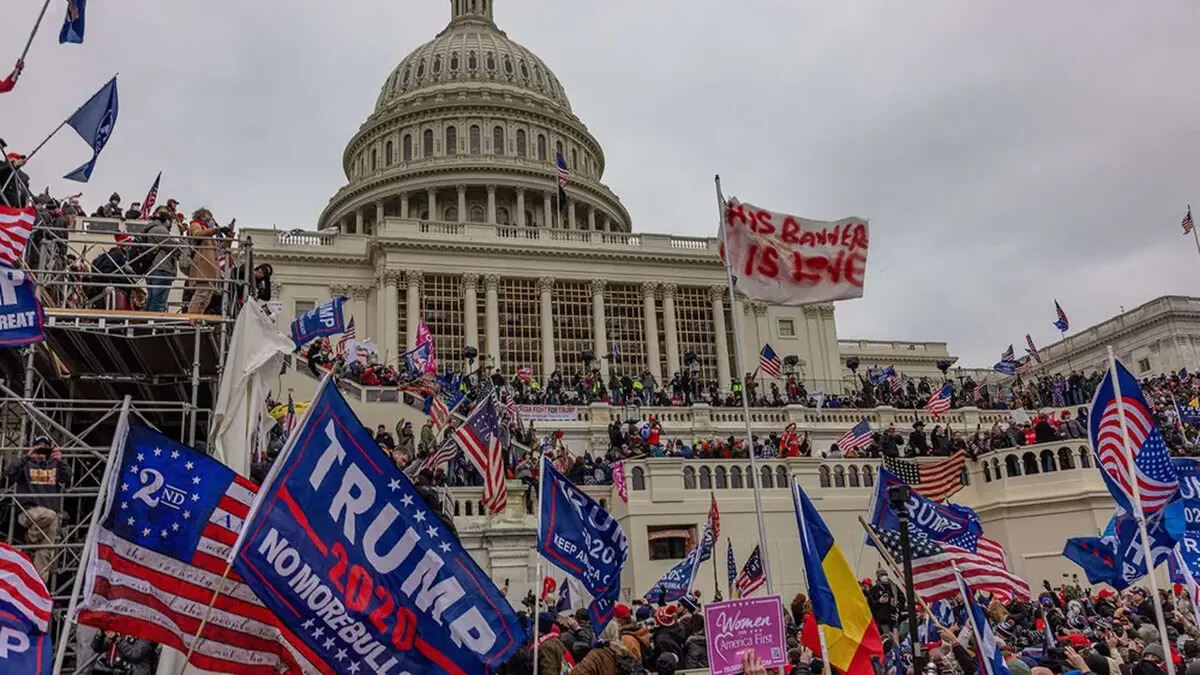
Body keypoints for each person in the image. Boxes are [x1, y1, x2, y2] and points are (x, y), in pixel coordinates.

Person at [3, 436, 71, 581]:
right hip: (29, 513)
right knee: (51, 516)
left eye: (44, 449)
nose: (41, 453)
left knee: (46, 553)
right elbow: (8, 472)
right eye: (38, 448)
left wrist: (60, 460)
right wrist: (26, 457)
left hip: (48, 519)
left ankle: (39, 584)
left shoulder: (54, 466)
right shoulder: (26, 466)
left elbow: (67, 477)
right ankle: (31, 537)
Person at [185, 208, 224, 315]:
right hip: (202, 266)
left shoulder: (209, 234)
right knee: (201, 295)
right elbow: (197, 234)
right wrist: (215, 230)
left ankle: (197, 318)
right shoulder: (196, 225)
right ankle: (191, 318)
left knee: (205, 298)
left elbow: (221, 249)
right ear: (201, 216)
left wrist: (229, 234)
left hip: (210, 268)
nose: (210, 219)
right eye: (208, 216)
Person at [141, 207, 178, 312]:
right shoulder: (160, 230)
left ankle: (145, 324)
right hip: (161, 269)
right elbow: (174, 246)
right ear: (167, 221)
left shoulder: (150, 229)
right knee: (158, 301)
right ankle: (151, 326)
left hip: (153, 269)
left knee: (152, 299)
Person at [90, 630, 157, 675]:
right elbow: (97, 648)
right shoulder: (120, 626)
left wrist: (116, 639)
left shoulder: (148, 631)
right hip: (112, 670)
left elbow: (136, 654)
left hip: (134, 672)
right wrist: (100, 633)